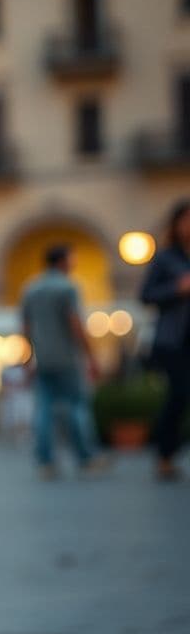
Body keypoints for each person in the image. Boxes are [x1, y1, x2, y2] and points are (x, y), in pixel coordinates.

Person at [21, 243, 107, 479]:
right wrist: (91, 356)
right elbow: (75, 323)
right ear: (62, 261)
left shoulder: (31, 288)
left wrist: (28, 359)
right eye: (71, 259)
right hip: (68, 358)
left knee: (43, 409)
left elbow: (25, 327)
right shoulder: (67, 287)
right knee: (77, 406)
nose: (73, 263)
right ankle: (85, 456)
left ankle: (45, 460)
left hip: (43, 359)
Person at [139, 199, 190, 481]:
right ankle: (165, 455)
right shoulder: (166, 258)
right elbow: (146, 295)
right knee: (179, 394)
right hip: (173, 340)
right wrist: (176, 289)